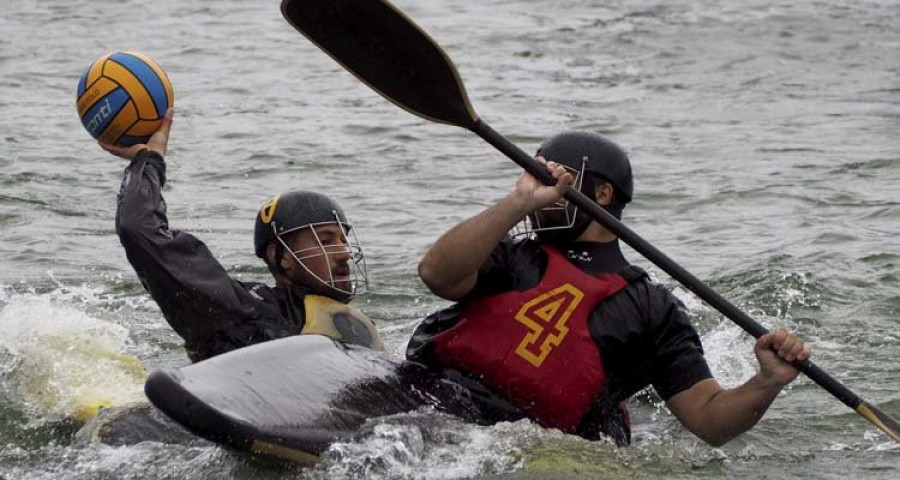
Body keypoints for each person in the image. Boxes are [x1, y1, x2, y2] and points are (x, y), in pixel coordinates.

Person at [407, 131, 811, 447]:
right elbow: (436, 273)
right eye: (538, 173)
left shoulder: (653, 308)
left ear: (602, 194)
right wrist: (518, 202)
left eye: (557, 176)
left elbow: (710, 419)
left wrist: (767, 381)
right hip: (426, 404)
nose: (546, 186)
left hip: (511, 440)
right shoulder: (511, 254)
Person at [102, 109, 381, 362]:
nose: (344, 253)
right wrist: (149, 160)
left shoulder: (358, 327)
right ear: (280, 256)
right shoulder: (242, 310)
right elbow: (138, 229)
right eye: (325, 240)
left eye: (343, 240)